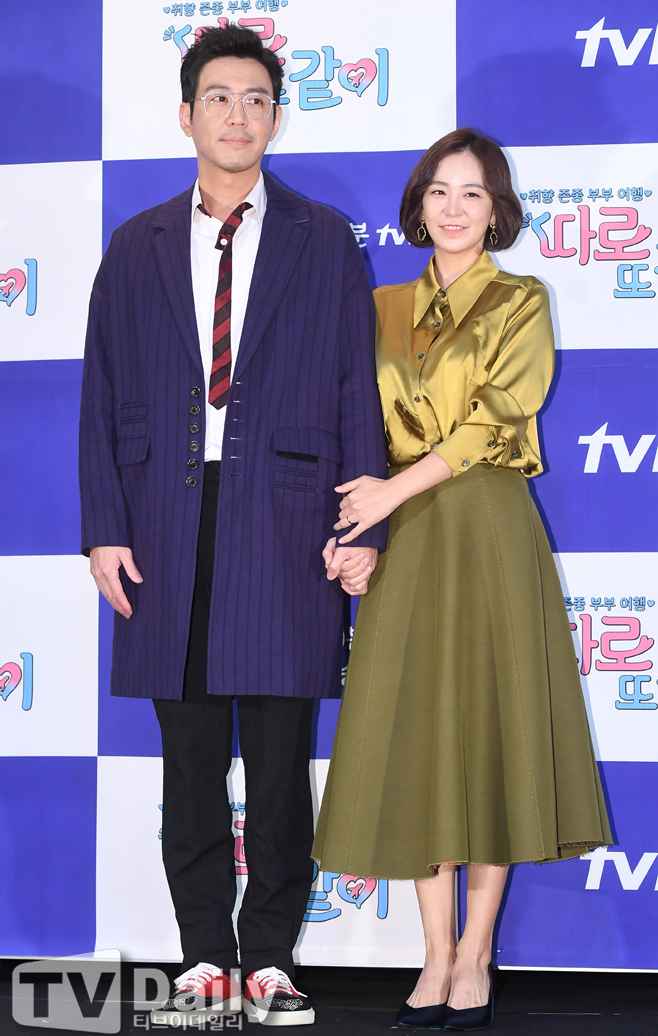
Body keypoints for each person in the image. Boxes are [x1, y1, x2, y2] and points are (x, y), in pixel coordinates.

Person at [79, 24, 388, 1028]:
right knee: (190, 759)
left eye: (256, 99)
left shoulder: (321, 238)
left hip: (288, 521)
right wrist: (104, 527)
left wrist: (361, 524)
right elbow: (100, 394)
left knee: (281, 756)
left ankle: (271, 960)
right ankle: (205, 956)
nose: (238, 115)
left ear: (275, 116)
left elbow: (354, 389)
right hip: (165, 526)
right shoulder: (136, 245)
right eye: (219, 97)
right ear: (186, 115)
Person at [314, 128, 612, 1031]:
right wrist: (354, 530)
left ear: (497, 210)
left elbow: (496, 419)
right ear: (418, 205)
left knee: (490, 733)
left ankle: (476, 951)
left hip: (485, 526)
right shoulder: (377, 306)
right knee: (420, 738)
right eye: (439, 191)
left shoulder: (522, 299)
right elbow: (352, 424)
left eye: (472, 193)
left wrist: (389, 494)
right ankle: (435, 952)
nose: (453, 208)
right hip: (405, 537)